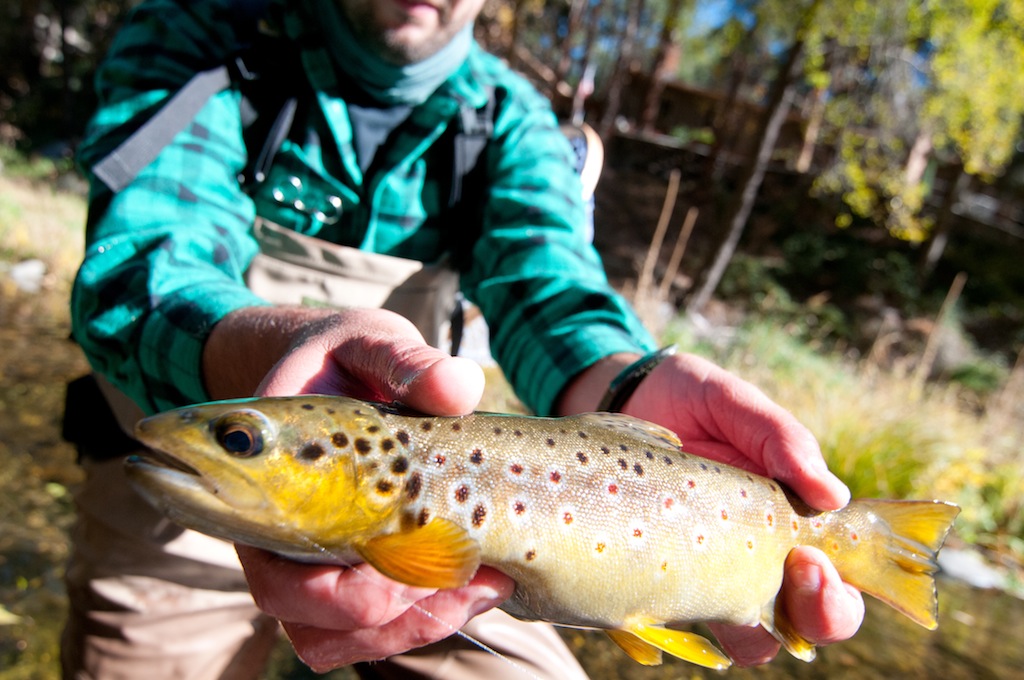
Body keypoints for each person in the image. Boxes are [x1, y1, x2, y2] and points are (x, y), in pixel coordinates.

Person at [63, 0, 865, 677]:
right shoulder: (199, 36)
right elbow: (145, 261)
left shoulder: (510, 120)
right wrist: (264, 363)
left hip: (460, 521)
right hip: (186, 512)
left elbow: (547, 292)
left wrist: (624, 385)